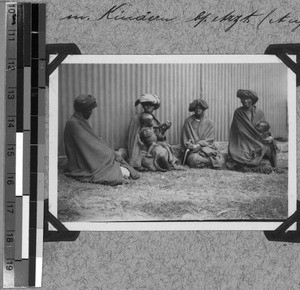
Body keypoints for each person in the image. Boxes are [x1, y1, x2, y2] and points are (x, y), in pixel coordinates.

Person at [64, 94, 140, 185]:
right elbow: (89, 146)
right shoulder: (73, 124)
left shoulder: (79, 121)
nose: (91, 112)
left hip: (89, 159)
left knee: (122, 167)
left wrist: (109, 152)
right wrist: (109, 154)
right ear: (83, 110)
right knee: (123, 172)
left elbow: (92, 142)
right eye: (89, 110)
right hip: (81, 164)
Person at [227, 89, 277, 168]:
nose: (245, 101)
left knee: (270, 145)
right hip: (243, 140)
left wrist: (269, 136)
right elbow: (239, 130)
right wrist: (248, 135)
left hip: (258, 139)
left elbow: (265, 129)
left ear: (252, 100)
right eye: (243, 99)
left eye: (248, 99)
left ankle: (273, 167)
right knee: (243, 153)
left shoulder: (259, 113)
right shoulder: (238, 112)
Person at [127, 93, 172, 171]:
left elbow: (158, 137)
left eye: (150, 105)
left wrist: (164, 129)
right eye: (145, 105)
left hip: (153, 145)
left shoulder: (153, 119)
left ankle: (167, 164)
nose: (148, 107)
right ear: (143, 106)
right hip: (142, 148)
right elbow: (133, 137)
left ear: (154, 107)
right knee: (145, 159)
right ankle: (157, 166)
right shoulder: (137, 118)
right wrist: (140, 135)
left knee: (161, 152)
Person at [181, 99, 225, 168]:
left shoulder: (209, 122)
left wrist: (199, 145)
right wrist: (190, 145)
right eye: (196, 108)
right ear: (193, 109)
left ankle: (207, 163)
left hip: (206, 149)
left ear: (204, 109)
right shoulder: (188, 122)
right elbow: (185, 139)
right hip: (194, 151)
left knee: (220, 160)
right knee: (193, 159)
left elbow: (210, 140)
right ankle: (208, 163)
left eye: (200, 108)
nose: (198, 110)